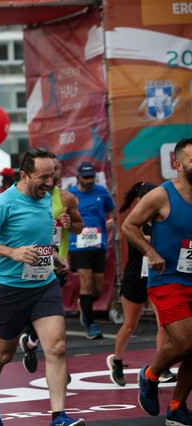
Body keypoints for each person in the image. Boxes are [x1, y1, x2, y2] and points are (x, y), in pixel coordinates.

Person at [0, 148, 85, 426]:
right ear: (23, 175)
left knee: (56, 346)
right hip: (9, 289)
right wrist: (12, 253)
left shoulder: (49, 199)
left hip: (44, 285)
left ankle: (59, 416)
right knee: (3, 354)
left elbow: (41, 238)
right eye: (43, 177)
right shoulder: (4, 203)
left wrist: (52, 256)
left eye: (52, 175)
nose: (49, 182)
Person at [122, 138, 192, 424]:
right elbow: (129, 226)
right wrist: (150, 251)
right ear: (178, 164)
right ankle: (149, 375)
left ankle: (176, 408)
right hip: (168, 279)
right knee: (186, 342)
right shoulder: (161, 195)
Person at [19, 152, 84, 374]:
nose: (52, 174)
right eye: (47, 170)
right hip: (35, 259)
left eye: (55, 169)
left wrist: (69, 224)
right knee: (38, 310)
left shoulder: (65, 198)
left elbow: (79, 227)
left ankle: (32, 343)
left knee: (51, 312)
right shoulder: (26, 197)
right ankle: (37, 346)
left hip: (58, 263)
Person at [106, 182, 175, 386]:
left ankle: (162, 367)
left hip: (157, 277)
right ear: (140, 200)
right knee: (129, 325)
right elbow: (143, 238)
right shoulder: (136, 221)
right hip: (136, 279)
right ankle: (117, 362)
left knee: (163, 323)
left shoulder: (161, 219)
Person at [68, 161, 115, 339]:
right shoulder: (70, 195)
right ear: (78, 177)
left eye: (91, 177)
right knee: (86, 285)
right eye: (85, 177)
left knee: (98, 287)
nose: (89, 181)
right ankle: (91, 325)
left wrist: (111, 222)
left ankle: (84, 304)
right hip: (78, 245)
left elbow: (110, 212)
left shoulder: (101, 191)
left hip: (98, 244)